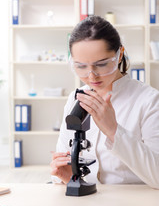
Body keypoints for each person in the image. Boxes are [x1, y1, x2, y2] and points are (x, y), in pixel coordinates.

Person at [50, 16, 159, 189]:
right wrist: (69, 177)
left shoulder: (150, 101)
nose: (91, 76)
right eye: (81, 66)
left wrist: (113, 130)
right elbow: (66, 162)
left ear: (120, 54)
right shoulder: (74, 98)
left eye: (101, 64)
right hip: (88, 205)